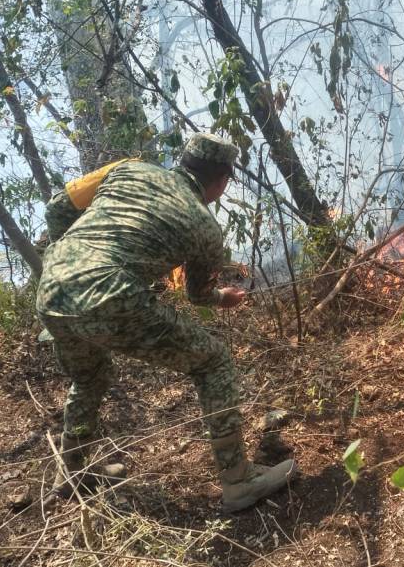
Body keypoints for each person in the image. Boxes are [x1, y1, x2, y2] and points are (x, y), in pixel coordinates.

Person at [35, 133, 296, 511]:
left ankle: (72, 473)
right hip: (109, 294)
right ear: (222, 181)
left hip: (51, 290)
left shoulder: (127, 169)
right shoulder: (205, 227)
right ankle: (239, 481)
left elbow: (57, 207)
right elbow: (197, 295)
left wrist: (70, 257)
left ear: (183, 161)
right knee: (214, 361)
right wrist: (224, 298)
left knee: (89, 377)